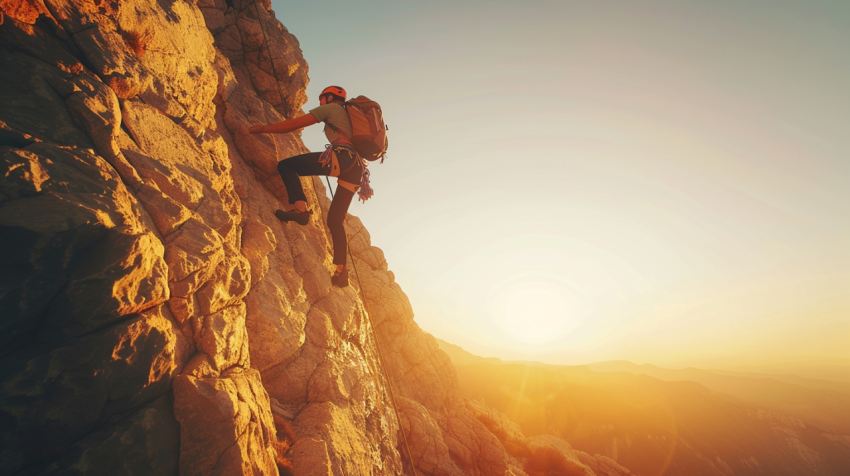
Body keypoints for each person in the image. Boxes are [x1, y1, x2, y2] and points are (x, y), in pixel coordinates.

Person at [249, 85, 365, 288]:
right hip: (357, 168)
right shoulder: (351, 115)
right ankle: (341, 272)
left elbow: (294, 124)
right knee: (335, 220)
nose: (320, 103)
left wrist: (263, 129)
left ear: (329, 98)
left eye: (322, 99)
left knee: (286, 165)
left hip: (341, 157)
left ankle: (300, 210)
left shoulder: (332, 109)